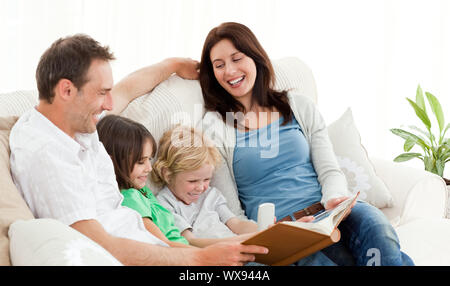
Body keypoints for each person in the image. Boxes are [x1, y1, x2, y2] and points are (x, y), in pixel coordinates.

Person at [9, 33, 269, 266]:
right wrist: (197, 259)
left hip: (154, 246)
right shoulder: (47, 155)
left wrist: (172, 66)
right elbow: (98, 244)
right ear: (66, 90)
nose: (110, 104)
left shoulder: (70, 122)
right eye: (102, 93)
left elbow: (128, 89)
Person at [198, 22, 414, 266]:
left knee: (378, 229)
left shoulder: (297, 104)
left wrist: (334, 199)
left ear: (255, 57)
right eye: (219, 65)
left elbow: (329, 171)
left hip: (329, 212)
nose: (229, 71)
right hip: (284, 231)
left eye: (237, 59)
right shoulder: (215, 126)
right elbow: (230, 211)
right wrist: (272, 233)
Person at [151, 125, 258, 247]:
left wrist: (262, 230)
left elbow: (236, 224)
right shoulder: (164, 204)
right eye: (193, 181)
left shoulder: (211, 195)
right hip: (217, 254)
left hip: (236, 248)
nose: (201, 188)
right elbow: (190, 242)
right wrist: (233, 244)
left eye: (207, 179)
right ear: (167, 174)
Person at [97, 114, 190, 248]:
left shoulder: (142, 190)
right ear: (112, 161)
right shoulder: (130, 197)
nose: (149, 168)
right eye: (141, 162)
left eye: (149, 159)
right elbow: (164, 245)